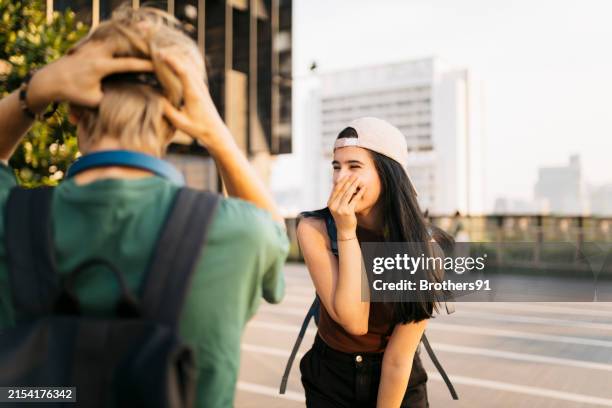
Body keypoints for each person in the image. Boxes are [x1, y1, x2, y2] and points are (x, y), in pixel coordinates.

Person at [0, 6, 289, 407]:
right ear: (179, 119)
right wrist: (218, 135)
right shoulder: (241, 233)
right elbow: (275, 235)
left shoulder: (10, 218)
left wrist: (34, 92)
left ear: (71, 107)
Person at [297, 118, 447, 407]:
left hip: (398, 379)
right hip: (331, 377)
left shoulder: (425, 250)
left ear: (387, 174)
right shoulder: (314, 229)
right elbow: (354, 320)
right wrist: (346, 232)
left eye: (354, 166)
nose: (341, 178)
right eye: (336, 166)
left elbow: (398, 358)